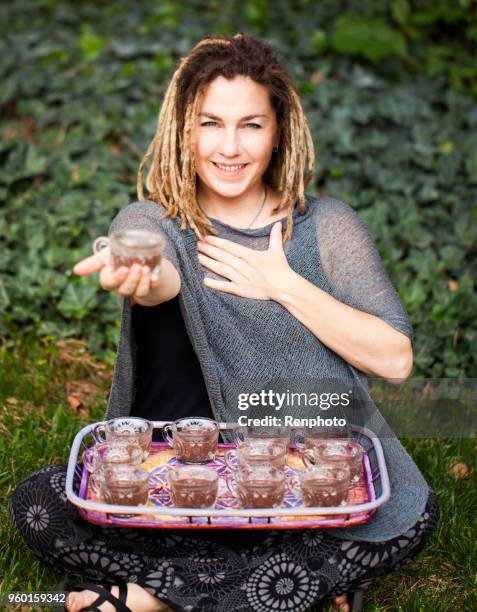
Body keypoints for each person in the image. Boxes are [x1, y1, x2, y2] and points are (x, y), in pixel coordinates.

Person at [10, 33, 438, 612]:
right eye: (211, 123)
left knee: (405, 516)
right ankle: (262, 587)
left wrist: (282, 283)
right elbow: (159, 268)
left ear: (279, 130)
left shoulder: (329, 227)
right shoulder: (154, 220)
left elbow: (395, 359)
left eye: (251, 125)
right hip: (182, 478)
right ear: (185, 131)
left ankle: (149, 595)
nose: (230, 147)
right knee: (39, 502)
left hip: (301, 486)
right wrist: (136, 266)